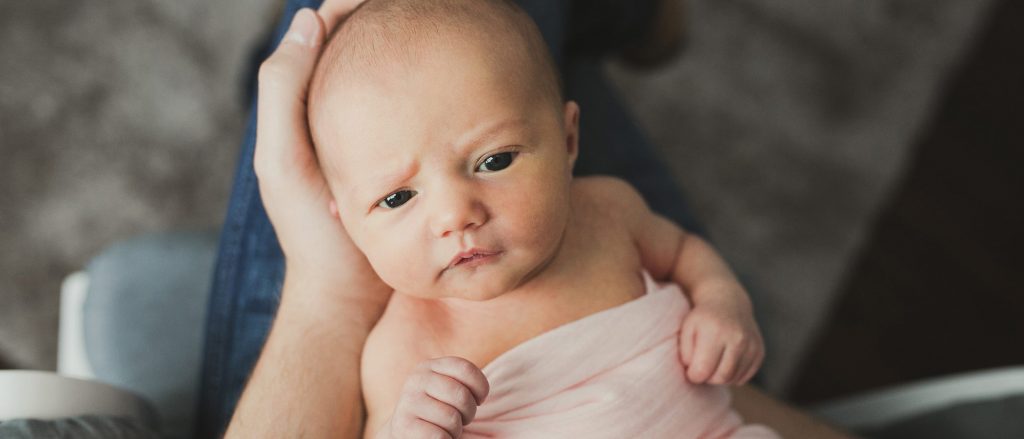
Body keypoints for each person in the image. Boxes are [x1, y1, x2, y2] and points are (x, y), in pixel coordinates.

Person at [199, 0, 856, 438]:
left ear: (570, 141)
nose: (456, 214)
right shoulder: (404, 349)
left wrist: (722, 303)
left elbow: (685, 253)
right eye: (396, 199)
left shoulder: (607, 212)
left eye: (494, 160)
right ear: (343, 221)